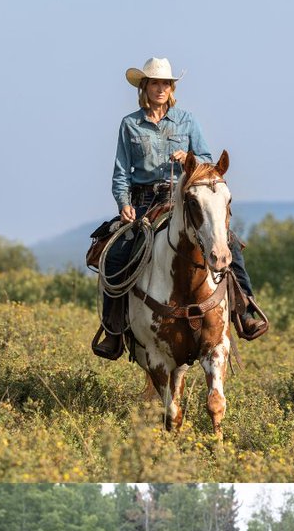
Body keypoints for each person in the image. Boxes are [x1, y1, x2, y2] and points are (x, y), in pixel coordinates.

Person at [93, 58, 266, 359]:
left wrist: (189, 156)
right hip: (144, 200)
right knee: (117, 253)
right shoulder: (130, 125)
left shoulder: (188, 121)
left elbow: (207, 162)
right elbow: (121, 173)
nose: (160, 89)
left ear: (171, 89)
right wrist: (124, 204)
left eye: (165, 84)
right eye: (154, 83)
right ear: (144, 88)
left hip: (185, 199)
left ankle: (245, 310)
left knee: (230, 244)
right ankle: (113, 330)